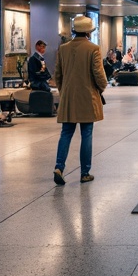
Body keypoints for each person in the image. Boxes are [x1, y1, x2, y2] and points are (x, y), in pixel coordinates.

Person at [53, 15, 106, 185]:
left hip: (69, 96)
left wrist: (64, 92)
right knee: (87, 133)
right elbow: (99, 74)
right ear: (89, 32)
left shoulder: (63, 48)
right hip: (87, 96)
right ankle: (85, 172)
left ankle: (59, 167)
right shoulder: (93, 49)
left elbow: (58, 75)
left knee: (66, 133)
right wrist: (101, 88)